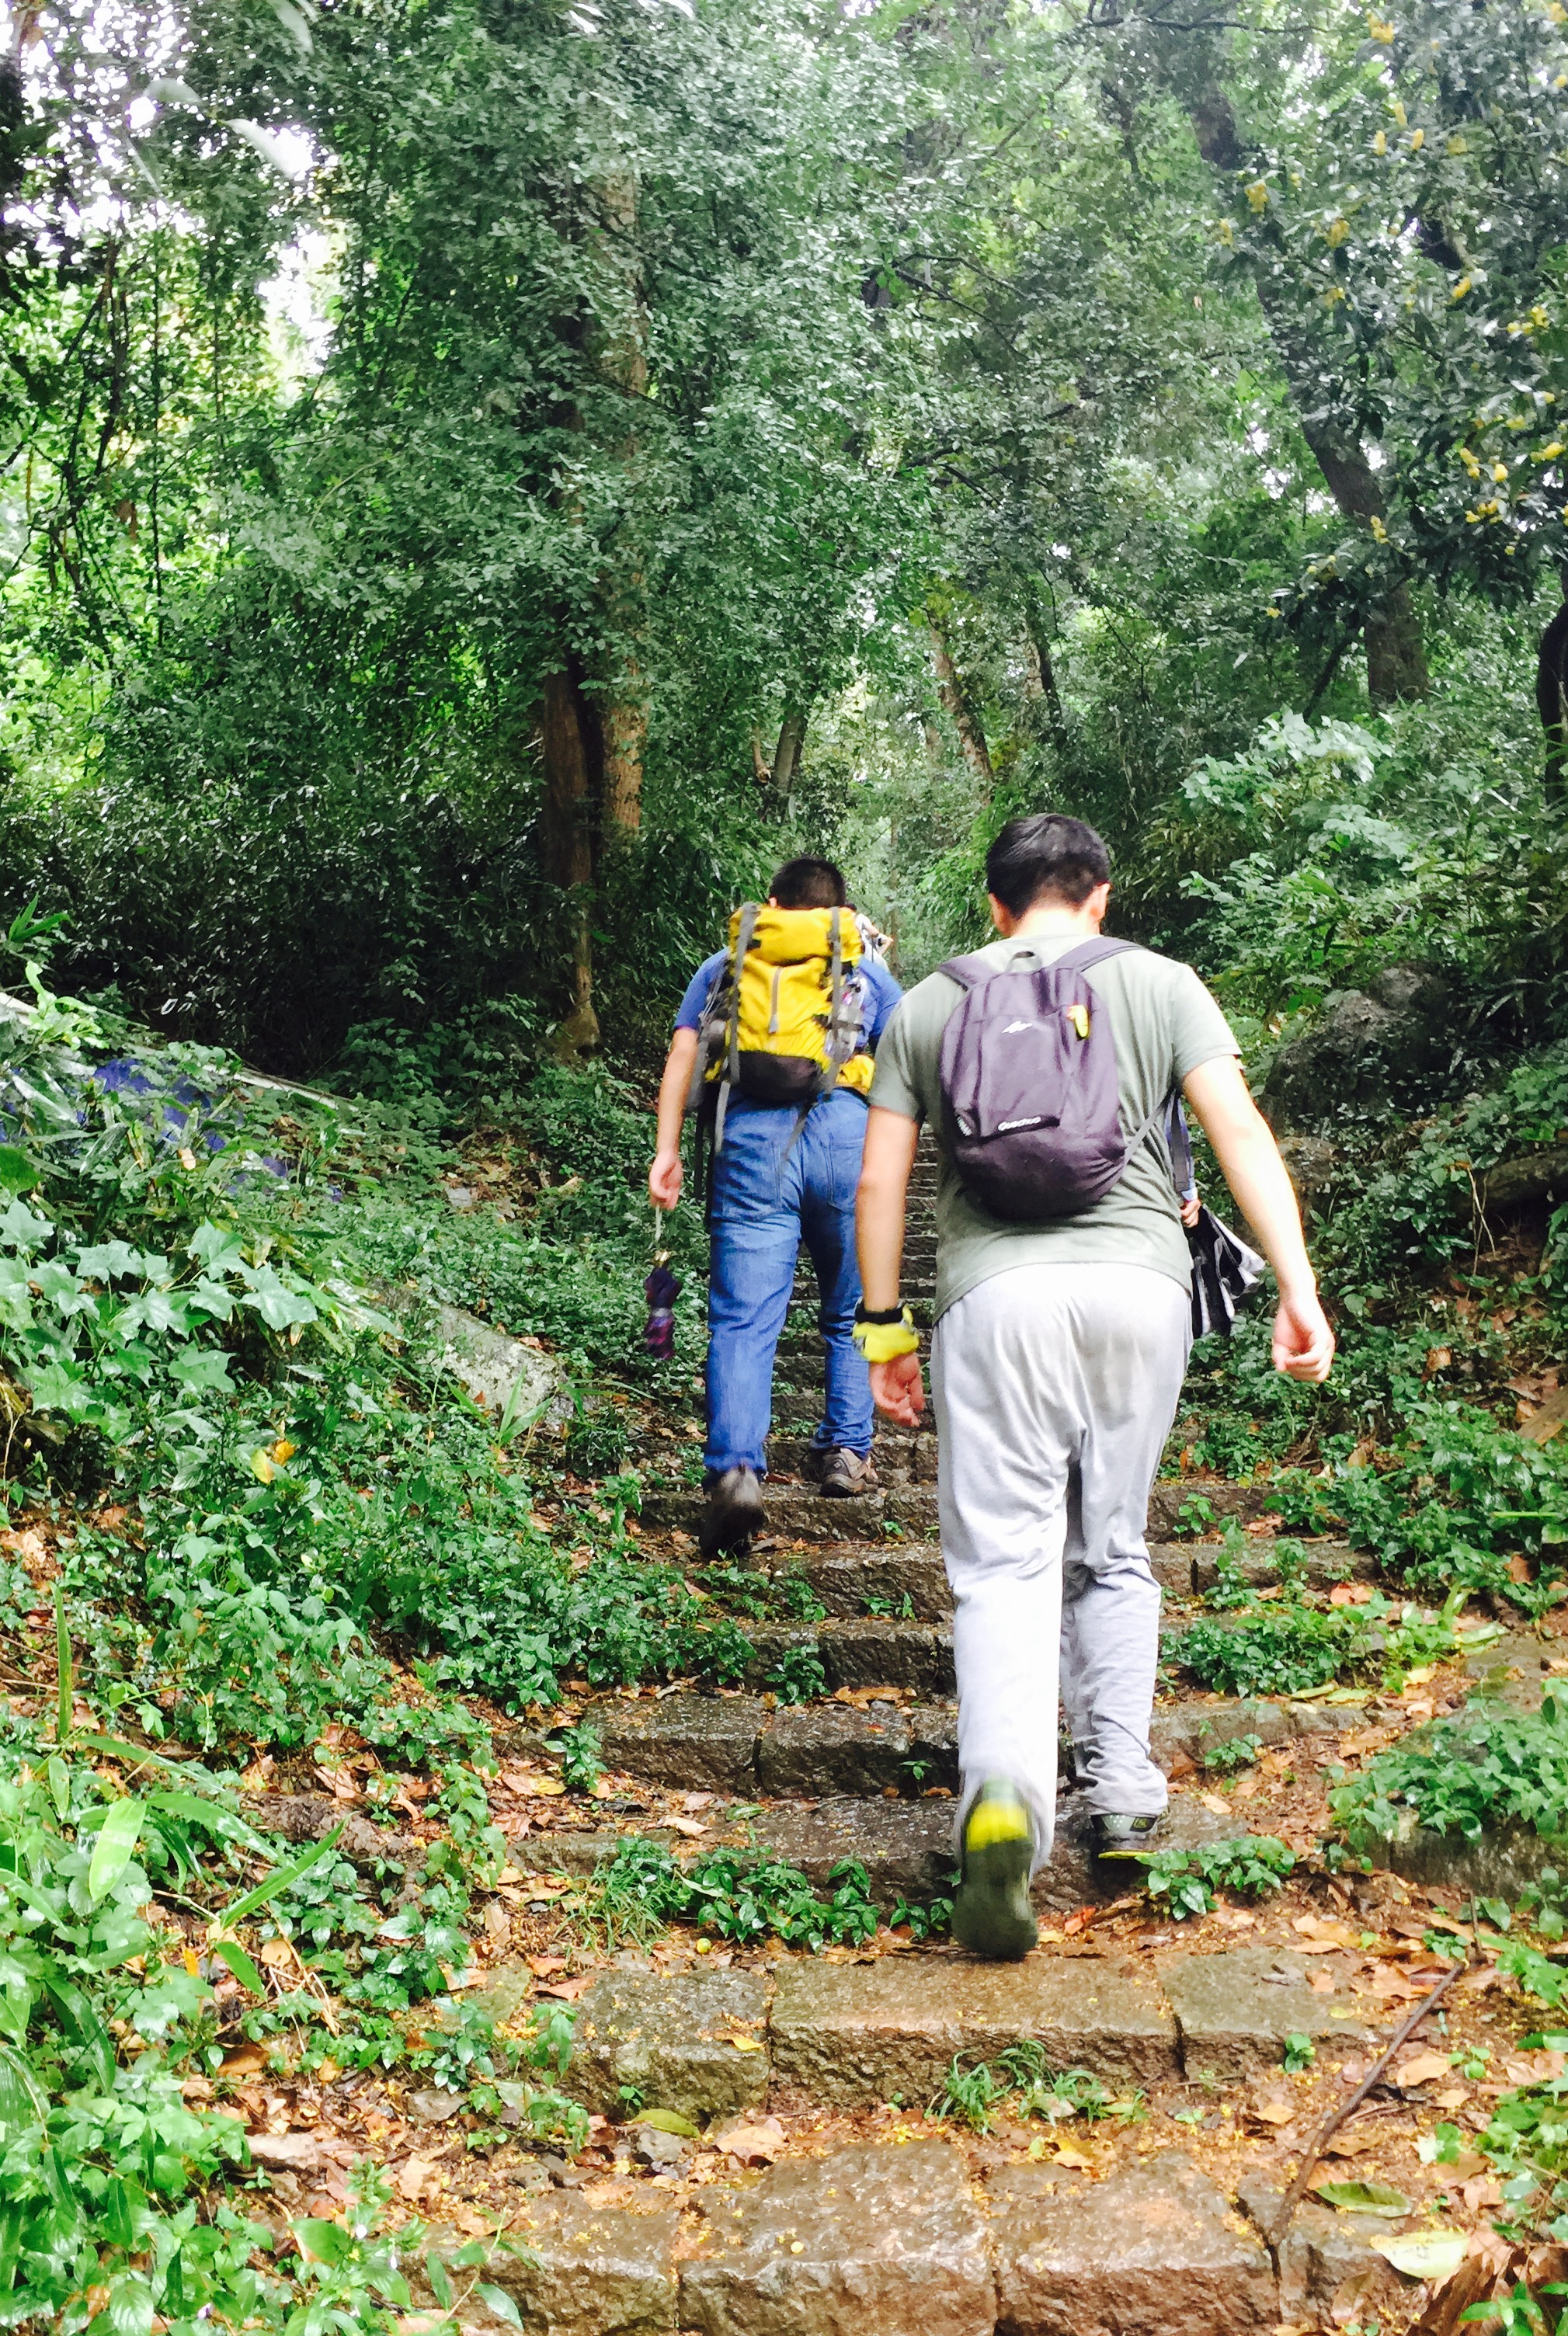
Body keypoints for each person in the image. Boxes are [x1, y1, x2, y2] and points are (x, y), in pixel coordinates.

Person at [854, 813, 1333, 1960]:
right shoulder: (1162, 983)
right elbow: (1236, 1131)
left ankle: (1003, 1796)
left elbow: (879, 1181)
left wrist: (884, 1332)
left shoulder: (930, 1002)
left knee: (1000, 1565)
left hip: (993, 1302)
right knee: (1111, 1544)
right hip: (1138, 1292)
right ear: (1100, 897)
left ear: (995, 903)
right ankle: (1119, 1792)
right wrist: (1296, 1284)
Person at [649, 857, 902, 1554]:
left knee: (743, 1318)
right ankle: (845, 1452)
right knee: (850, 1307)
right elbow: (908, 1066)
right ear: (841, 913)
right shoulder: (864, 970)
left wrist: (667, 1150)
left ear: (769, 904)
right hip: (845, 1138)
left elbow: (682, 1058)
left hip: (752, 1141)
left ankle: (735, 1470)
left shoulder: (726, 964)